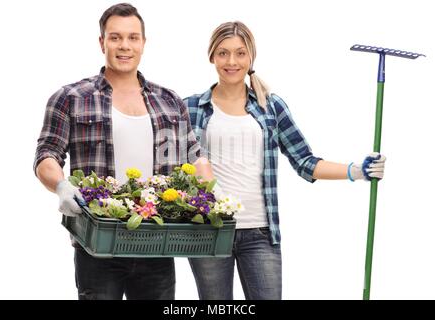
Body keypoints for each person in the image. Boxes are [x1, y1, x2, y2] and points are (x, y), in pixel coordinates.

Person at [184, 21, 386, 300]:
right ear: (211, 56)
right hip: (209, 232)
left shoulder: (271, 106)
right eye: (223, 53)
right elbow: (175, 169)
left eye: (240, 53)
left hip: (260, 233)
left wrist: (357, 170)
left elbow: (305, 161)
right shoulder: (190, 108)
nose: (232, 61)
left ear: (251, 57)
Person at [34, 3, 211, 300]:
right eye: (115, 38)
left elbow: (196, 155)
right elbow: (47, 154)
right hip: (99, 243)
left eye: (132, 38)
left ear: (143, 43)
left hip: (158, 242)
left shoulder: (169, 101)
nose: (124, 46)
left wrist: (210, 198)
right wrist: (61, 185)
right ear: (102, 42)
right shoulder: (70, 98)